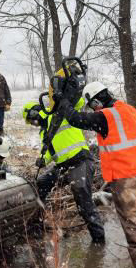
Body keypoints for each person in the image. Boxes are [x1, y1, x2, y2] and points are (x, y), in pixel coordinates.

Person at [53, 81, 136, 268]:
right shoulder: (129, 110)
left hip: (128, 183)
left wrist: (62, 100)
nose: (93, 110)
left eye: (93, 105)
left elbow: (76, 119)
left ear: (96, 101)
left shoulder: (106, 116)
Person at [22, 101, 105, 244]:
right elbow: (51, 152)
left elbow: (78, 102)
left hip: (81, 161)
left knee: (83, 201)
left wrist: (64, 97)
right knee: (41, 184)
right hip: (63, 166)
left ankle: (98, 240)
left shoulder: (59, 114)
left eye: (31, 121)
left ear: (34, 113)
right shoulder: (44, 131)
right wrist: (44, 161)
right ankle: (37, 225)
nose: (33, 125)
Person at [0, 62, 11, 135]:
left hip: (0, 104)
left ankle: (0, 136)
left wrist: (8, 102)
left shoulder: (0, 77)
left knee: (0, 123)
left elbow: (6, 90)